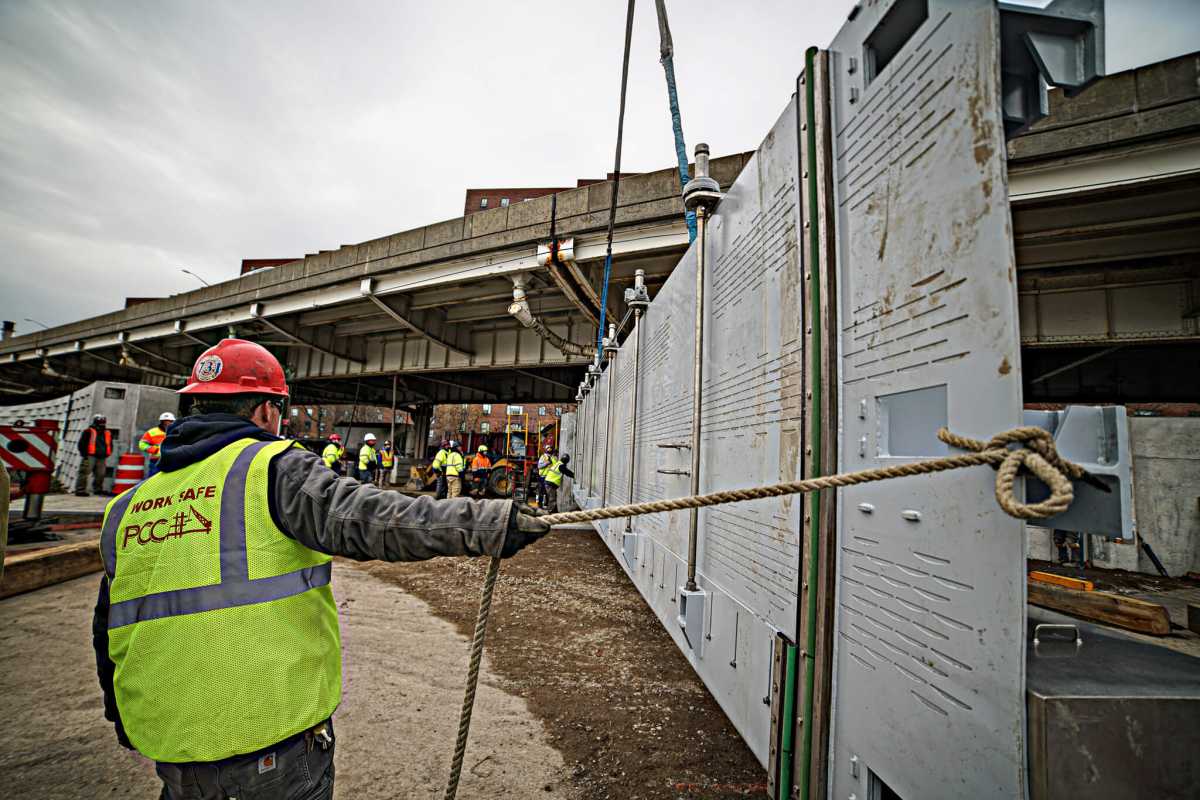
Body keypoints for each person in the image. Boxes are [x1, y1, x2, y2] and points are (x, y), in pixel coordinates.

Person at [92, 339, 549, 800]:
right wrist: (487, 522)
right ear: (268, 411)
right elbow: (372, 519)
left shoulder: (126, 508)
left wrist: (122, 717)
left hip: (172, 751)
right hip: (270, 744)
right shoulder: (270, 468)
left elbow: (108, 628)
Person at [75, 414, 113, 496]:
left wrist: (108, 452)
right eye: (100, 422)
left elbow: (110, 443)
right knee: (84, 472)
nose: (102, 424)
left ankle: (98, 489)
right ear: (96, 422)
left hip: (102, 456)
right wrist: (84, 454)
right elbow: (81, 444)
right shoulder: (88, 431)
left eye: (103, 422)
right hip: (90, 455)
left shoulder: (107, 432)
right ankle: (80, 490)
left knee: (101, 474)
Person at [138, 412, 176, 477]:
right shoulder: (152, 432)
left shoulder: (176, 431)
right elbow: (142, 444)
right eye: (165, 421)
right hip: (155, 461)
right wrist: (155, 450)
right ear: (161, 422)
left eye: (170, 421)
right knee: (152, 480)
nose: (167, 423)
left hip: (171, 460)